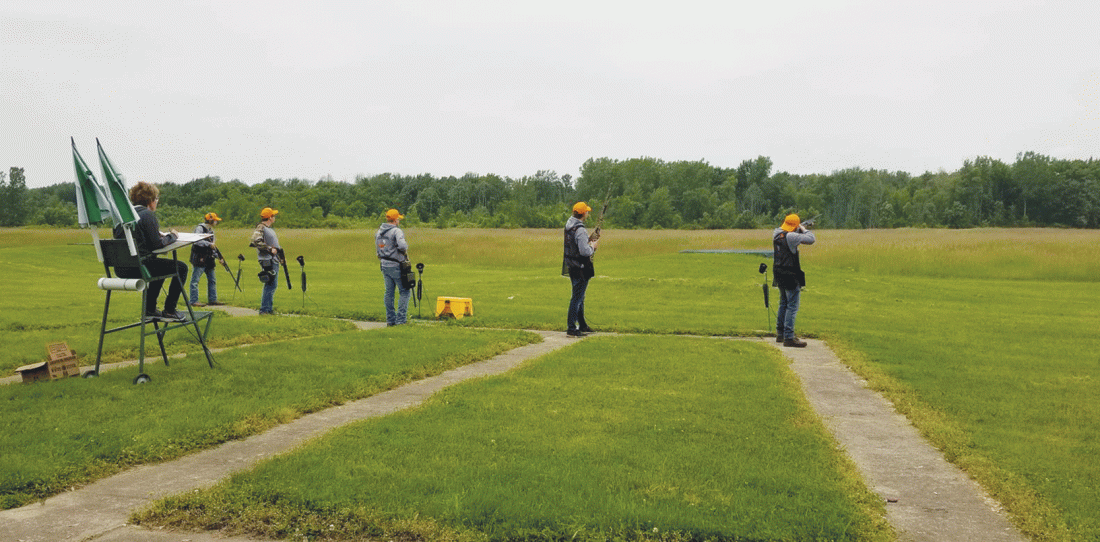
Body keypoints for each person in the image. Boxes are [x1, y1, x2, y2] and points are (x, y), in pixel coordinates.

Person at [112, 181, 190, 321]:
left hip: (121, 268)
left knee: (158, 266)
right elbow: (157, 245)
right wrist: (172, 236)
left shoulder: (122, 217)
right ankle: (170, 310)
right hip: (140, 267)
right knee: (182, 267)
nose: (157, 202)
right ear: (150, 201)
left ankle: (150, 309)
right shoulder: (147, 215)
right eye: (156, 199)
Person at [773, 213, 816, 347]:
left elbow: (787, 234)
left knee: (783, 303)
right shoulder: (791, 236)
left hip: (779, 271)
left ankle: (780, 333)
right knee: (792, 306)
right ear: (795, 226)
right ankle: (789, 337)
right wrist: (803, 228)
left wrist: (797, 227)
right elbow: (811, 239)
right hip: (790, 273)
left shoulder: (776, 233)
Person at [562, 201, 599, 337]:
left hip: (571, 265)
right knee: (577, 298)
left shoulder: (569, 225)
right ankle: (571, 328)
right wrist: (593, 246)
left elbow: (576, 244)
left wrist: (588, 239)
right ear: (583, 214)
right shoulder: (580, 229)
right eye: (587, 211)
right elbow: (584, 251)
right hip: (581, 267)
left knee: (579, 297)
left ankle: (582, 325)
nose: (588, 213)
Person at [375, 208, 410, 326]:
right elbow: (402, 246)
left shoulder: (379, 232)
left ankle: (390, 320)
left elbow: (378, 249)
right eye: (398, 219)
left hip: (384, 264)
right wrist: (404, 249)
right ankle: (401, 320)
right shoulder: (396, 231)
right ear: (395, 220)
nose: (399, 221)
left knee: (389, 293)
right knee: (405, 291)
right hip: (396, 265)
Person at [189, 212, 225, 307]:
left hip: (209, 258)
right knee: (195, 281)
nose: (216, 222)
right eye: (215, 220)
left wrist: (219, 257)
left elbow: (213, 247)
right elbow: (196, 241)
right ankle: (193, 301)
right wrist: (208, 244)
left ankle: (213, 299)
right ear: (210, 220)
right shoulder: (200, 228)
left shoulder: (211, 231)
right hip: (200, 258)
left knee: (212, 280)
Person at [250, 207, 282, 315]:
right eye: (273, 216)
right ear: (270, 218)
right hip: (268, 260)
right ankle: (265, 309)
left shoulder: (267, 228)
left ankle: (268, 308)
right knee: (271, 284)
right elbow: (255, 241)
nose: (274, 218)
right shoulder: (261, 227)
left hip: (272, 259)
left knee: (271, 284)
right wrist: (269, 249)